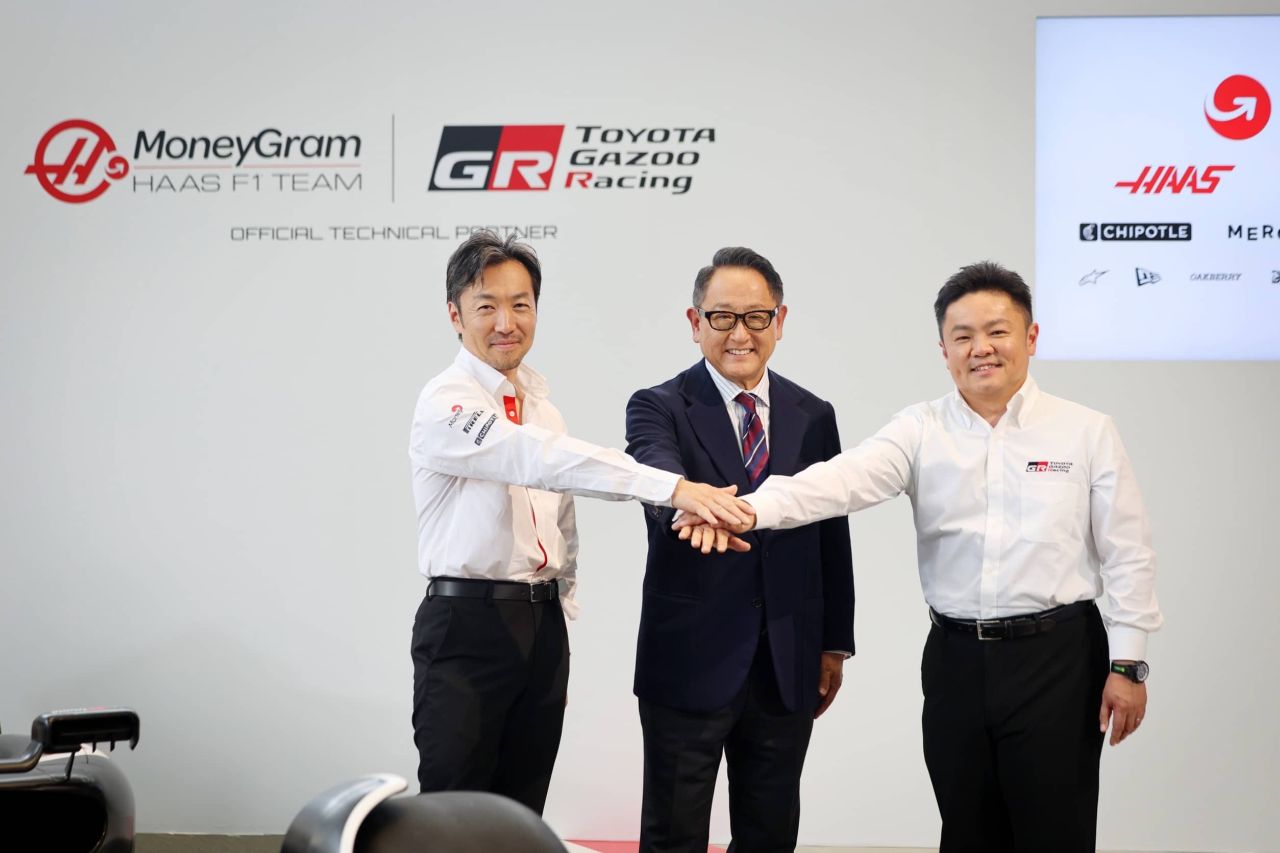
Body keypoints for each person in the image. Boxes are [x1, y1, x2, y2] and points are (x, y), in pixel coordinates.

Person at [677, 262, 1161, 853]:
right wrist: (742, 510)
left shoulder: (1085, 432)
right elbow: (834, 482)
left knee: (1055, 833)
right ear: (944, 349)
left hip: (1059, 661)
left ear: (1031, 337)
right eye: (963, 336)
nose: (981, 348)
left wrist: (1129, 664)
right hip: (956, 661)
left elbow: (1128, 553)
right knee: (966, 831)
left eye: (998, 332)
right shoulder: (920, 429)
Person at [407, 230, 752, 816]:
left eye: (521, 304)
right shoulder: (445, 403)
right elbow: (538, 459)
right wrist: (673, 488)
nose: (506, 322)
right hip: (466, 626)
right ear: (455, 315)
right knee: (453, 813)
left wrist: (554, 631)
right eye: (486, 306)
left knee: (522, 812)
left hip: (539, 628)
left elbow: (562, 524)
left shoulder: (543, 407)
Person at [624, 247, 854, 852]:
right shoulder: (658, 405)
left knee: (770, 833)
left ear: (780, 321)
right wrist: (688, 503)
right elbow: (655, 475)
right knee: (673, 834)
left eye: (756, 317)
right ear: (695, 322)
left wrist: (833, 642)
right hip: (688, 658)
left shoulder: (814, 415)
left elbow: (832, 535)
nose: (740, 334)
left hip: (787, 658)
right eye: (722, 317)